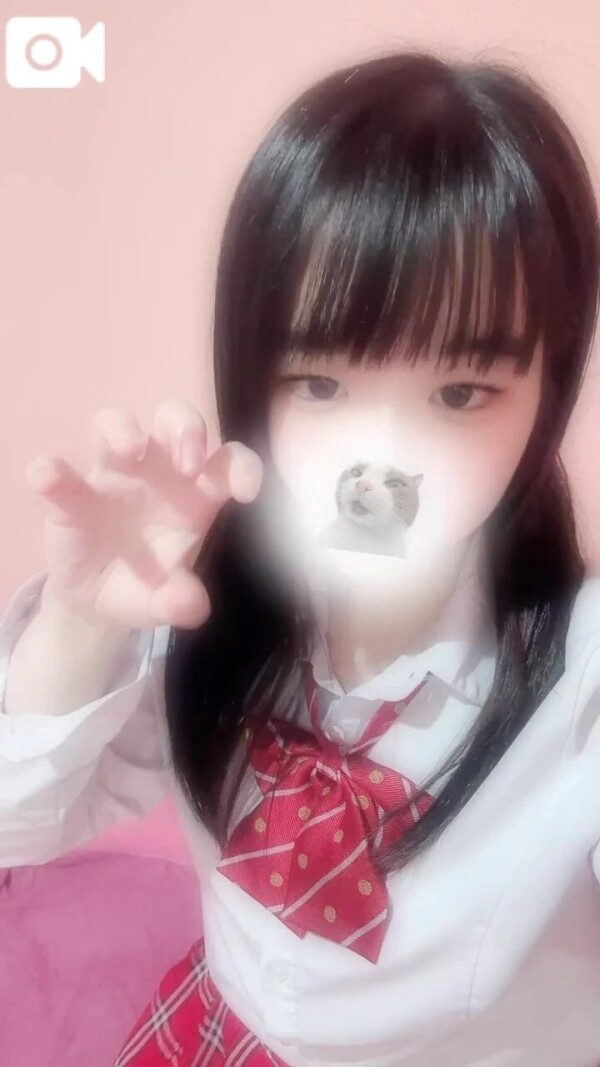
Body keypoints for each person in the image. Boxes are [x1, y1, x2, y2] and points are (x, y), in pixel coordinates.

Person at [2, 49, 600, 1067]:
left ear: (549, 391)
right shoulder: (197, 602)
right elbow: (18, 829)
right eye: (320, 383)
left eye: (461, 393)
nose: (384, 463)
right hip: (225, 1027)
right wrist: (79, 619)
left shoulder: (577, 686)